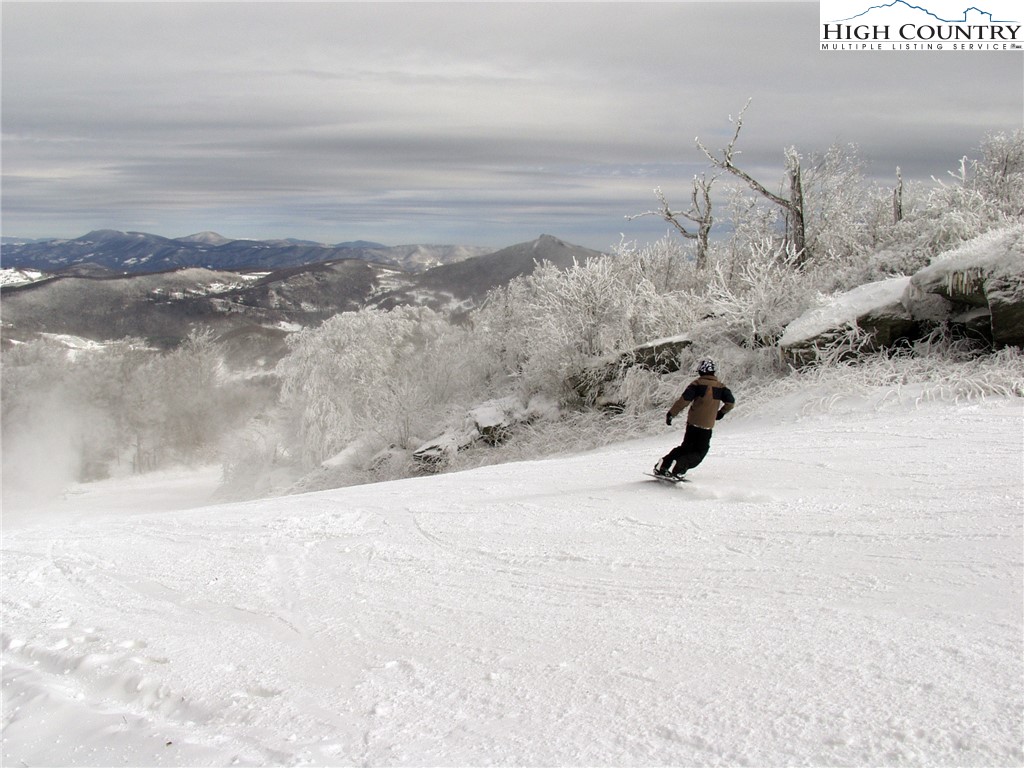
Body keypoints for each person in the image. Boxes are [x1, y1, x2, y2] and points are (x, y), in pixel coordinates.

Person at [654, 359, 735, 479]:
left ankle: (663, 464)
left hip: (692, 424)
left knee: (685, 447)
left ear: (701, 371)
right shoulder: (721, 387)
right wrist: (720, 413)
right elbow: (731, 402)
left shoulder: (697, 384)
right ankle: (679, 467)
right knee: (699, 452)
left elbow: (684, 401)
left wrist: (671, 413)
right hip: (706, 426)